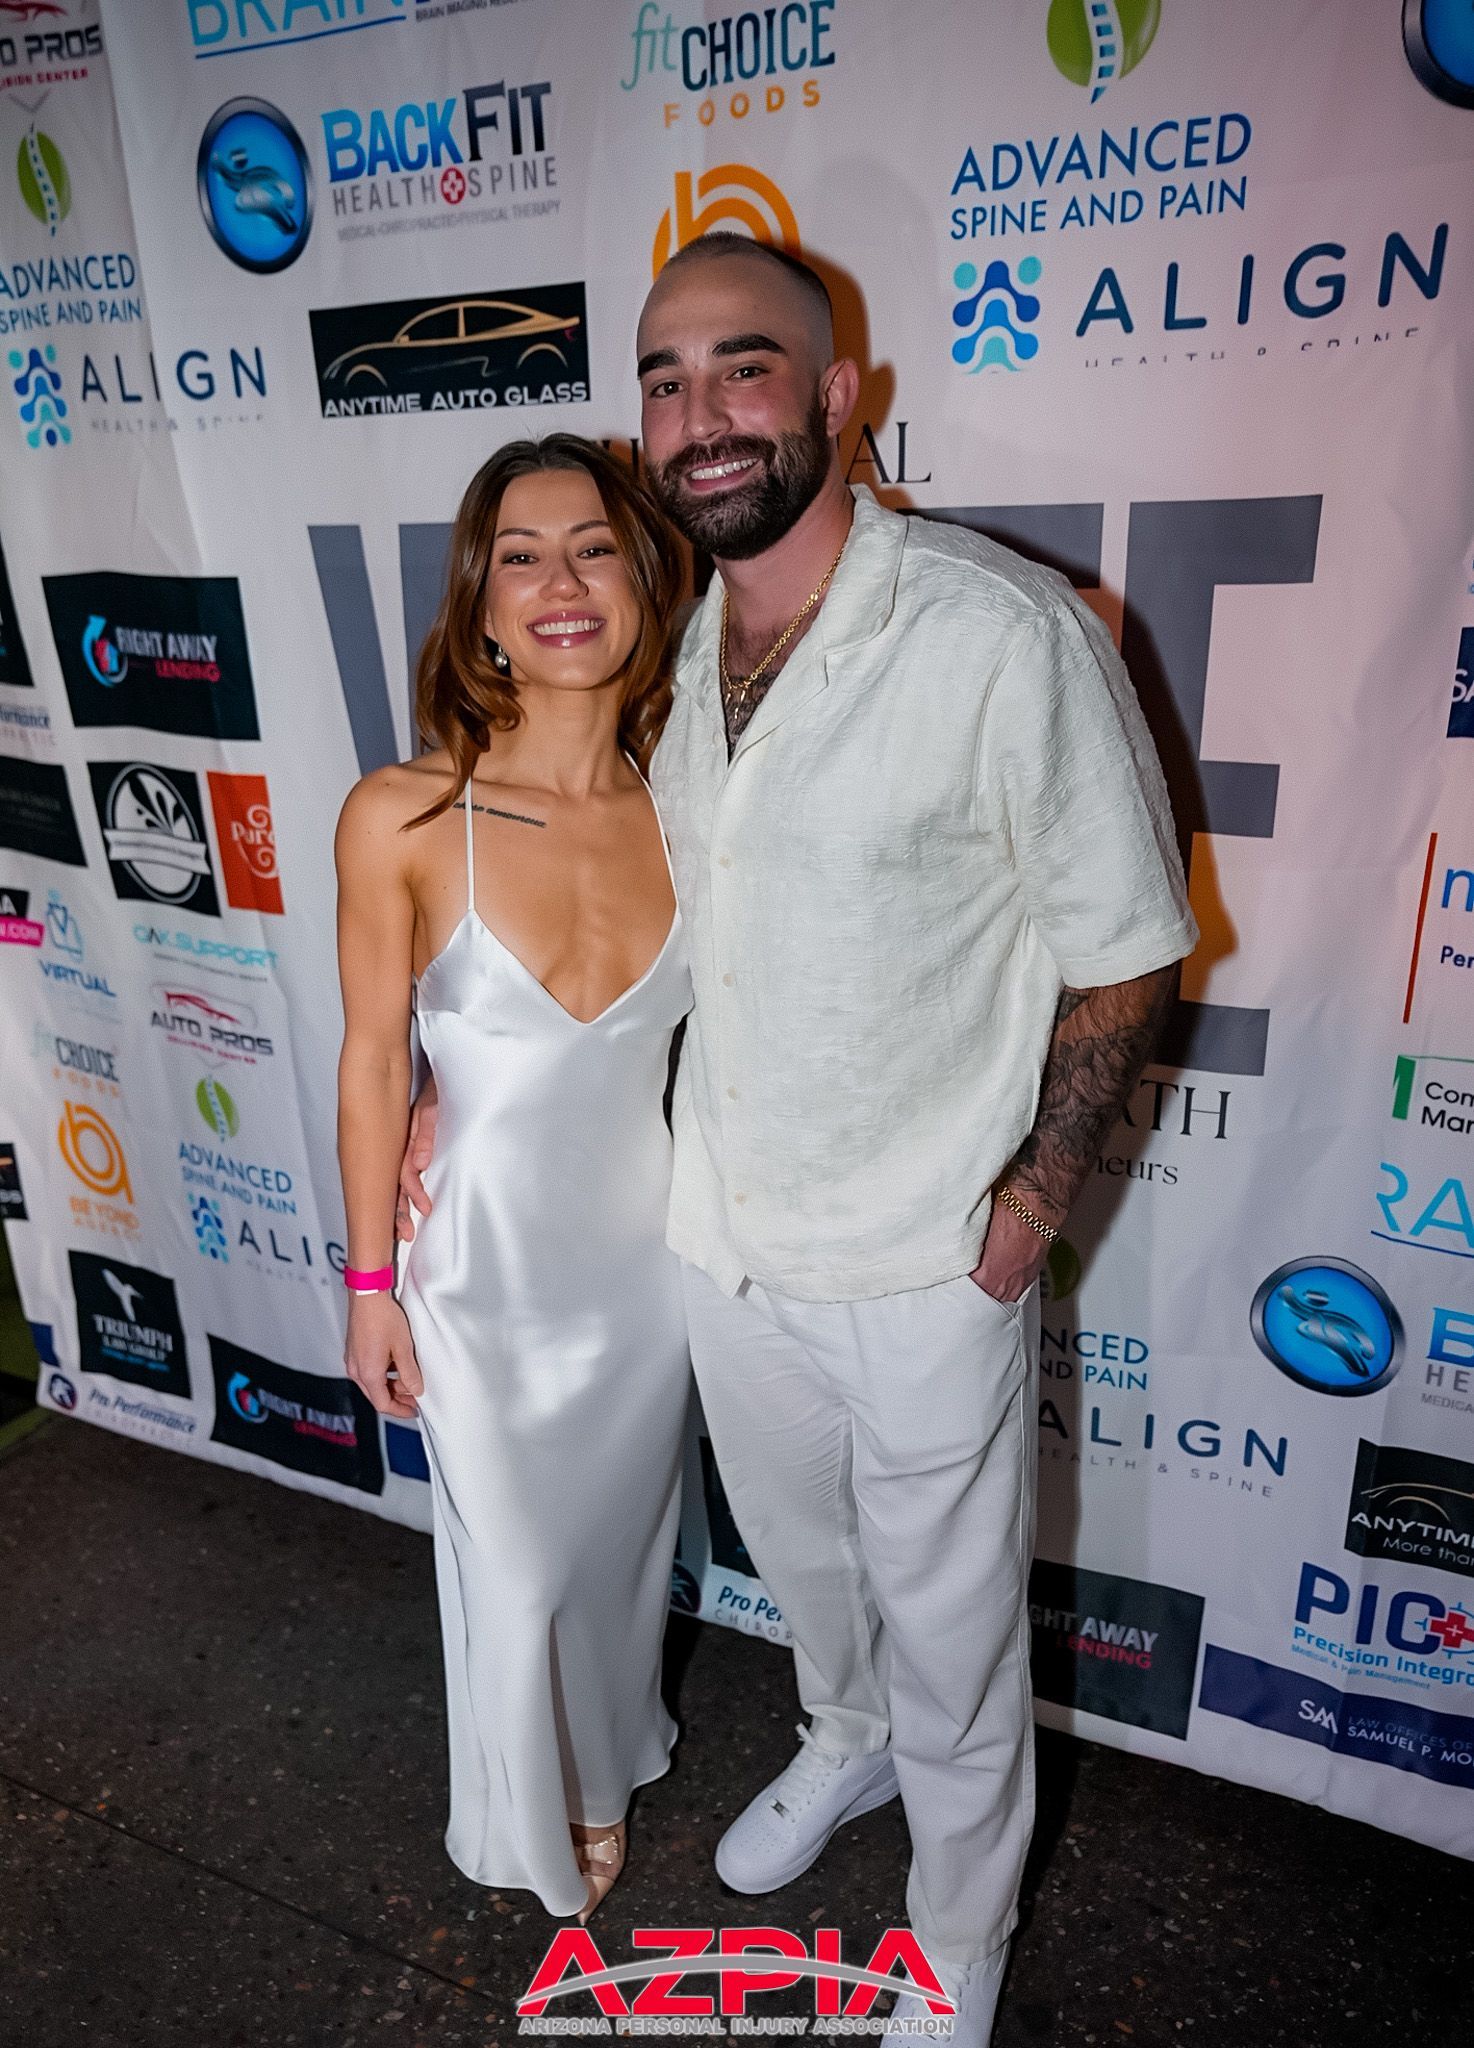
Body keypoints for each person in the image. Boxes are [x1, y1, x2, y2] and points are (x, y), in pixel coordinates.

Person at [402, 236, 1198, 2044]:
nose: (700, 414)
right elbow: (579, 916)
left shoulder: (997, 633)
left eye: (742, 367)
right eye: (664, 379)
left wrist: (1030, 1203)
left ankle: (958, 1929)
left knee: (955, 1625)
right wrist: (461, 1071)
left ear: (837, 395)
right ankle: (844, 1743)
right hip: (720, 1243)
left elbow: (1129, 944)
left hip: (926, 1253)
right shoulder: (669, 656)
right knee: (810, 1569)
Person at [334, 434, 691, 1925]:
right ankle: (528, 1810)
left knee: (618, 1561)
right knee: (523, 1569)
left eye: (595, 548)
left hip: (648, 1268)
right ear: (479, 606)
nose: (562, 583)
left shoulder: (694, 808)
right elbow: (372, 1058)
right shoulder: (404, 814)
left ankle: (604, 1767)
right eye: (522, 556)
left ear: (645, 583)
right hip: (477, 1271)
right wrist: (369, 1283)